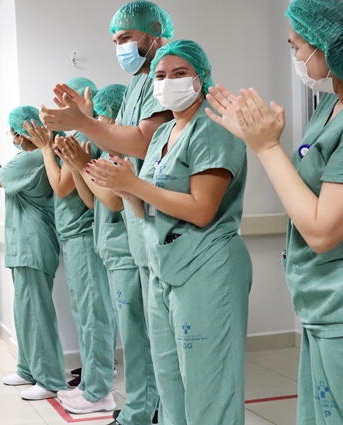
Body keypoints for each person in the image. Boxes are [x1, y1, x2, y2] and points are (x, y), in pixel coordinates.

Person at [89, 39, 252, 425]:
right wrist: (122, 185)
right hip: (164, 269)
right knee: (171, 385)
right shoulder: (161, 136)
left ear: (202, 77)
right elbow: (145, 205)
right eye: (160, 76)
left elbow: (201, 209)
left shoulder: (213, 126)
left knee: (208, 390)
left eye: (180, 74)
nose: (168, 82)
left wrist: (135, 184)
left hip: (207, 267)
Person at [205, 2, 343, 422]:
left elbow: (322, 230)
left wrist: (265, 147)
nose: (297, 58)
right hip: (320, 302)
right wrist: (262, 141)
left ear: (330, 44)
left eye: (299, 47)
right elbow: (311, 192)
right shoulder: (330, 104)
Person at [40, 2, 174, 423]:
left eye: (125, 38)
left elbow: (140, 146)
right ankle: (143, 409)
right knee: (139, 339)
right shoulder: (138, 84)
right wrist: (82, 151)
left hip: (159, 238)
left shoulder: (158, 85)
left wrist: (84, 128)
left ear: (155, 32)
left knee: (158, 344)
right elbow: (114, 190)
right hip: (137, 239)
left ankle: (145, 408)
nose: (120, 48)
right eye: (115, 41)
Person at [23, 77, 118, 415]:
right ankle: (95, 384)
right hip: (74, 235)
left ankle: (100, 390)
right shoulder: (77, 137)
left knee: (95, 315)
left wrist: (48, 149)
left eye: (68, 100)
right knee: (86, 314)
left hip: (84, 235)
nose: (61, 107)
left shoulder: (85, 138)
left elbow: (62, 188)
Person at [0, 106, 65, 401]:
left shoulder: (33, 157)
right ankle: (28, 369)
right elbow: (2, 175)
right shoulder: (31, 159)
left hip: (33, 245)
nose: (11, 136)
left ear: (24, 132)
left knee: (37, 313)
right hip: (26, 245)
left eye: (13, 132)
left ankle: (49, 379)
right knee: (25, 311)